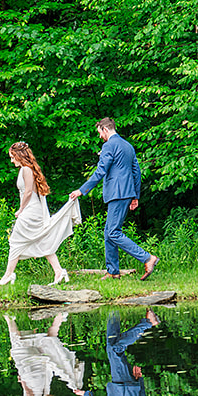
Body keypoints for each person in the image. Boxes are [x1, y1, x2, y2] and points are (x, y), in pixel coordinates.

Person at [69, 118, 158, 280]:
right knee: (108, 233)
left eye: (100, 133)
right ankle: (113, 271)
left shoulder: (109, 145)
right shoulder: (128, 146)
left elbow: (100, 171)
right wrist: (135, 196)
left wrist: (82, 190)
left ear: (105, 129)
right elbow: (136, 172)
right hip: (126, 193)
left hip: (117, 194)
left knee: (113, 232)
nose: (100, 137)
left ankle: (147, 258)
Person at [0, 141, 81, 286]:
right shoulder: (26, 169)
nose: (11, 160)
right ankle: (59, 272)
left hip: (31, 210)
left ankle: (8, 275)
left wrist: (21, 210)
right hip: (32, 209)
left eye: (12, 157)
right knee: (42, 241)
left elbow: (28, 192)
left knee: (15, 242)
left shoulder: (26, 170)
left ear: (19, 155)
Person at [6, 312, 85, 396]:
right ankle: (9, 317)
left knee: (39, 349)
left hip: (38, 380)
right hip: (32, 381)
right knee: (18, 347)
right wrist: (23, 383)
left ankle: (58, 318)